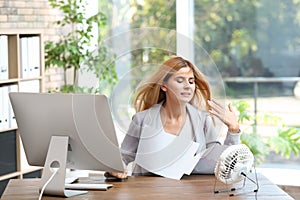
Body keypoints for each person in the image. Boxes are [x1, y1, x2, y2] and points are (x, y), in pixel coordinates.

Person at [110, 56, 240, 179]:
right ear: (163, 85)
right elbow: (123, 158)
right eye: (179, 80)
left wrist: (233, 130)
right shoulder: (141, 120)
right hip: (148, 193)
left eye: (191, 81)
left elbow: (221, 163)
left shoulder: (203, 120)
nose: (187, 86)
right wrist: (116, 169)